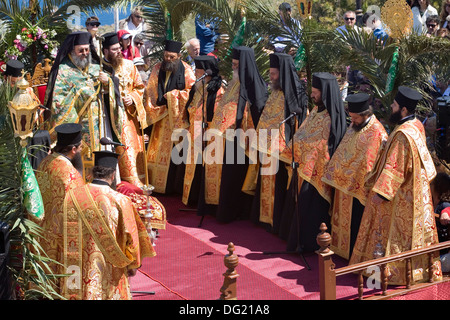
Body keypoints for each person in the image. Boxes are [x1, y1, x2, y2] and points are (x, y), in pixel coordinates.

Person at [349, 86, 443, 285]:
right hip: (417, 192)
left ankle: (393, 274)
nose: (390, 106)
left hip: (401, 195)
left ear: (403, 110)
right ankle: (419, 272)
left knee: (393, 234)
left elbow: (396, 168)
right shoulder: (416, 125)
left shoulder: (402, 135)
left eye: (394, 105)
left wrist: (381, 194)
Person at [60, 150, 155, 299]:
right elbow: (132, 236)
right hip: (110, 266)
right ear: (112, 175)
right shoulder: (121, 200)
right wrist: (134, 264)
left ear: (92, 172)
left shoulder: (72, 196)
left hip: (78, 265)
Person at [279, 72, 347, 252]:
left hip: (316, 174)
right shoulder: (316, 111)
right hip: (303, 167)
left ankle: (308, 243)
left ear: (324, 93)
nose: (312, 95)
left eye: (315, 92)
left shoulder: (332, 118)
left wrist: (309, 156)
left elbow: (326, 147)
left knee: (310, 209)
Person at [201, 46, 268, 223]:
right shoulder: (233, 83)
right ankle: (215, 209)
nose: (233, 68)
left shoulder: (255, 86)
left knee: (232, 178)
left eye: (237, 65)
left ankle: (231, 213)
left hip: (240, 142)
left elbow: (257, 113)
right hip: (221, 139)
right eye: (232, 64)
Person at [245, 52, 308, 230]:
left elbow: (299, 122)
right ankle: (263, 219)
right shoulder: (275, 90)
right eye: (270, 73)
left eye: (274, 74)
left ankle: (275, 222)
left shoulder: (296, 93)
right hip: (266, 146)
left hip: (282, 150)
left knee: (279, 186)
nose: (271, 77)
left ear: (283, 73)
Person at [322, 93, 388, 260]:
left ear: (365, 114)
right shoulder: (354, 127)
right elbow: (343, 151)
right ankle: (339, 251)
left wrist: (350, 176)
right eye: (351, 117)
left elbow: (369, 164)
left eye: (355, 117)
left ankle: (353, 257)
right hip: (343, 185)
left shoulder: (377, 132)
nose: (352, 121)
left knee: (355, 222)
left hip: (359, 190)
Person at [44, 31, 117, 180]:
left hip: (98, 125)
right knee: (80, 160)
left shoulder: (96, 67)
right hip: (77, 125)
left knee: (98, 155)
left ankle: (99, 184)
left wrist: (108, 82)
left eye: (87, 49)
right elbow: (58, 104)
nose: (85, 53)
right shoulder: (63, 71)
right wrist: (83, 92)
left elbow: (112, 90)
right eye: (81, 50)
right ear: (72, 50)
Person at [34, 123, 85, 292]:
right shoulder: (70, 175)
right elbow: (80, 208)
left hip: (41, 230)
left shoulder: (44, 163)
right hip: (61, 235)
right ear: (73, 150)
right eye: (80, 147)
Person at [143, 39, 195, 194]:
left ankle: (171, 188)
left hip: (176, 119)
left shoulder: (186, 70)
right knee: (156, 153)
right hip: (159, 118)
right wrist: (156, 108)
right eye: (166, 56)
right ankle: (154, 185)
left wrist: (173, 97)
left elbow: (191, 92)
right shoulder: (157, 68)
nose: (168, 59)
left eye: (172, 57)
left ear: (179, 56)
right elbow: (150, 91)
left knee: (174, 154)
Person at [101, 32, 147, 189]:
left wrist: (132, 98)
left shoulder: (129, 65)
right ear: (105, 51)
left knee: (128, 151)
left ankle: (133, 187)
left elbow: (140, 88)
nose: (118, 51)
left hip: (126, 117)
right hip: (105, 117)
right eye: (114, 49)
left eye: (119, 48)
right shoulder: (99, 68)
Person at [182, 55, 224, 206]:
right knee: (195, 166)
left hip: (210, 135)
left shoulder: (218, 88)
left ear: (207, 72)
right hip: (195, 133)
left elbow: (218, 112)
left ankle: (207, 201)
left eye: (198, 70)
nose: (196, 74)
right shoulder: (197, 87)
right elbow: (189, 107)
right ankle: (193, 199)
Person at [431, 171, 450, 273]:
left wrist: (445, 214)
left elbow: (447, 209)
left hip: (441, 255)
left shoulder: (444, 205)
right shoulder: (430, 204)